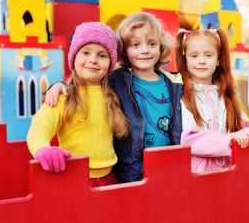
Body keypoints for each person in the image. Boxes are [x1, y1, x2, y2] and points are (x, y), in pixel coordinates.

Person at [45, 12, 183, 182]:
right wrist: (60, 85)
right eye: (136, 45)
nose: (145, 50)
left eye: (152, 44)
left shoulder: (174, 83)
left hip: (168, 166)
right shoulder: (117, 80)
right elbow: (88, 82)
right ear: (123, 49)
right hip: (132, 171)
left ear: (161, 46)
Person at [27, 22, 128, 187]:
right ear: (74, 58)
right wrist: (43, 150)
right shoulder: (62, 97)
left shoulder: (114, 95)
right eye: (85, 52)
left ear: (110, 62)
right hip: (73, 179)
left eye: (102, 55)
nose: (93, 60)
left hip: (109, 178)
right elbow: (38, 129)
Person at [175, 29, 249, 173]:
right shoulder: (182, 96)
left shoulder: (227, 94)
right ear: (186, 59)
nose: (201, 60)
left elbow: (240, 128)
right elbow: (188, 139)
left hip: (227, 172)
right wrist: (227, 140)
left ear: (218, 59)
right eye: (194, 56)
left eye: (208, 55)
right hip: (197, 176)